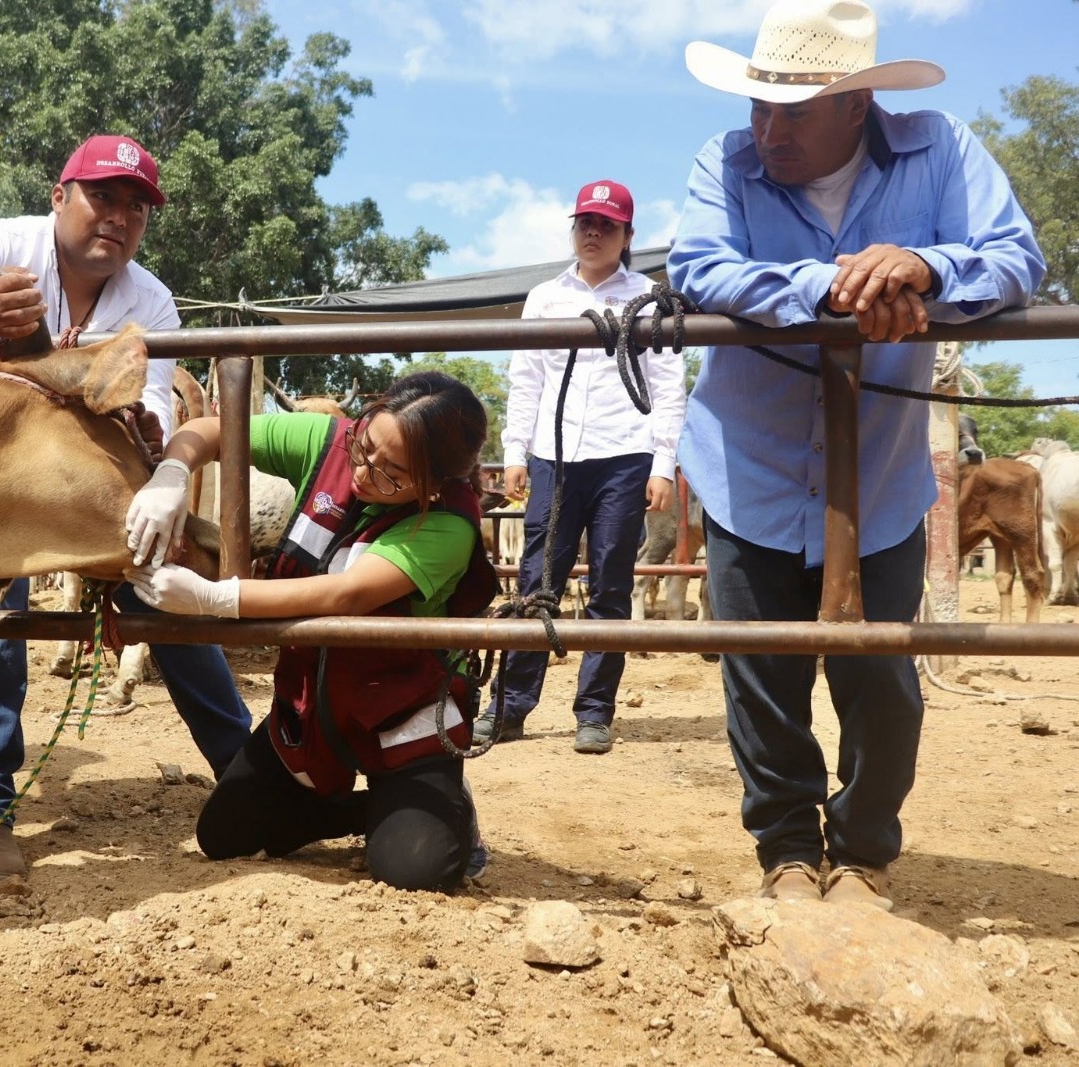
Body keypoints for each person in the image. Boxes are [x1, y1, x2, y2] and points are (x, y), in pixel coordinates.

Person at [670, 0, 1045, 908]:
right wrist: (835, 287)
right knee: (761, 677)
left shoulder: (941, 149)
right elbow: (698, 267)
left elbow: (1016, 258)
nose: (769, 130)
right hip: (748, 465)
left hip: (879, 474)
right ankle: (789, 853)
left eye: (794, 111)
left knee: (883, 681)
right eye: (760, 106)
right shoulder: (724, 162)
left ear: (856, 106)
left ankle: (864, 849)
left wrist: (927, 268)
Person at [0, 134, 252, 882]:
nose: (118, 217)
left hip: (86, 474)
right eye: (103, 196)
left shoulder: (151, 298)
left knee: (167, 586)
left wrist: (151, 437)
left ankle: (250, 779)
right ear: (60, 197)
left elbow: (156, 402)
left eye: (136, 208)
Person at [125, 372, 499, 892]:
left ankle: (441, 810)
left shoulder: (449, 524)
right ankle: (368, 812)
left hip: (403, 720)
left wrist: (213, 598)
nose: (363, 472)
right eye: (365, 447)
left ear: (436, 482)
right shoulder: (330, 441)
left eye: (392, 473)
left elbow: (346, 595)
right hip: (311, 711)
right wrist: (171, 473)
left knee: (416, 872)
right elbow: (211, 432)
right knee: (223, 834)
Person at [476, 180, 687, 754]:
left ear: (627, 236)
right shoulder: (545, 297)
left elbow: (668, 387)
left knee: (610, 584)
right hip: (554, 455)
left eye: (607, 225)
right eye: (585, 223)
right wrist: (515, 451)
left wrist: (662, 463)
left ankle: (595, 712)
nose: (593, 233)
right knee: (536, 581)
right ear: (574, 229)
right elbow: (526, 378)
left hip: (624, 454)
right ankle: (508, 707)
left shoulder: (651, 299)